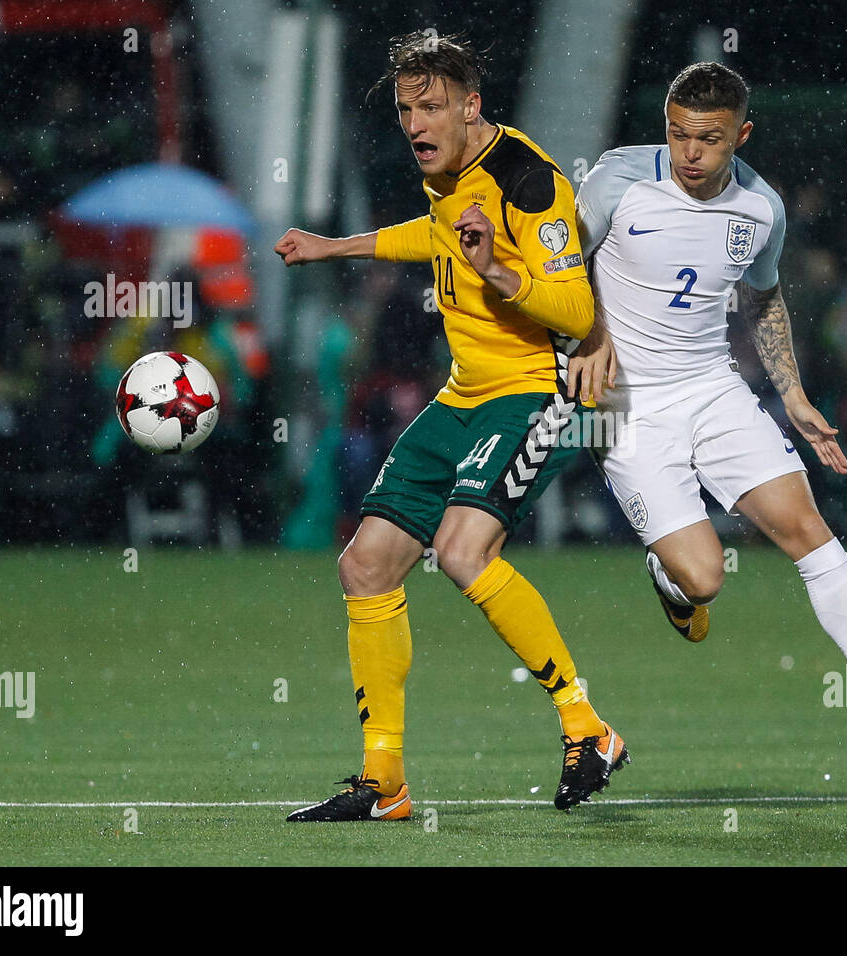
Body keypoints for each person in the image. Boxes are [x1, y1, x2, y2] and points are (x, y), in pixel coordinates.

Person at [274, 32, 627, 820]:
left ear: (471, 106)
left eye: (430, 106)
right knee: (365, 565)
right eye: (405, 108)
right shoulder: (449, 172)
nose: (415, 122)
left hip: (536, 391)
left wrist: (500, 268)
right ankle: (384, 781)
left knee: (464, 552)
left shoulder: (528, 181)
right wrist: (340, 247)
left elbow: (575, 309)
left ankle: (586, 727)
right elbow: (435, 235)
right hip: (464, 395)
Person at [569, 62, 847, 764]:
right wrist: (592, 337)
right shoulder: (616, 180)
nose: (691, 153)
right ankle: (670, 576)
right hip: (628, 405)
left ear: (741, 136)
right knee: (706, 578)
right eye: (680, 134)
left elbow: (762, 298)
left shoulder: (761, 208)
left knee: (809, 531)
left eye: (711, 140)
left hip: (713, 388)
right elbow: (560, 268)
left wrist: (794, 395)